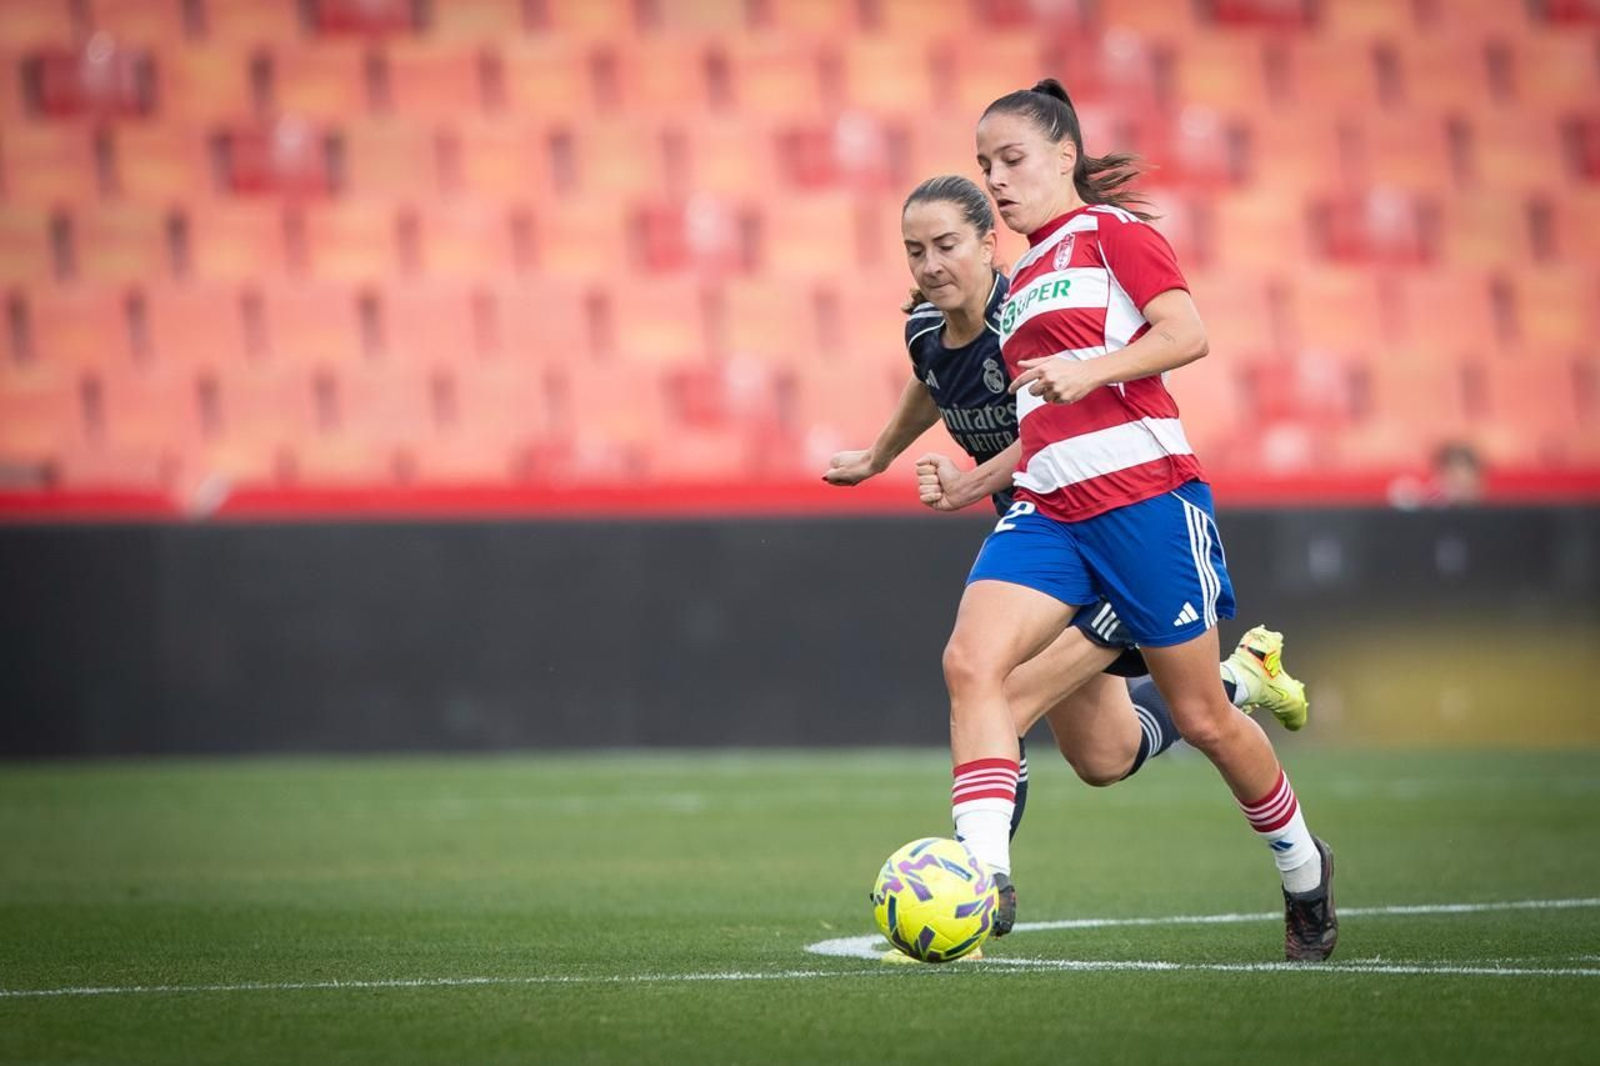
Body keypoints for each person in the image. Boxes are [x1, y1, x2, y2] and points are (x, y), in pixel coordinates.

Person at [918, 79, 1337, 962]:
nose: (994, 177)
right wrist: (970, 482)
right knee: (972, 666)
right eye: (984, 164)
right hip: (1048, 511)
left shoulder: (1116, 235)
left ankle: (1303, 870)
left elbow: (1186, 334)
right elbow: (1043, 422)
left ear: (1065, 155)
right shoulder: (1020, 280)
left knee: (1204, 721)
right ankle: (984, 879)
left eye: (1011, 159)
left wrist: (1098, 366)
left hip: (1146, 503)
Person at [822, 174, 1311, 842]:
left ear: (989, 242)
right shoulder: (924, 329)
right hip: (1038, 548)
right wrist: (878, 456)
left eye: (946, 245)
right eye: (915, 250)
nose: (931, 264)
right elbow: (931, 381)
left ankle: (980, 889)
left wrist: (969, 482)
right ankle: (1242, 679)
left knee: (1000, 696)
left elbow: (1064, 423)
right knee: (1104, 755)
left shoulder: (1025, 316)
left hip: (1104, 528)